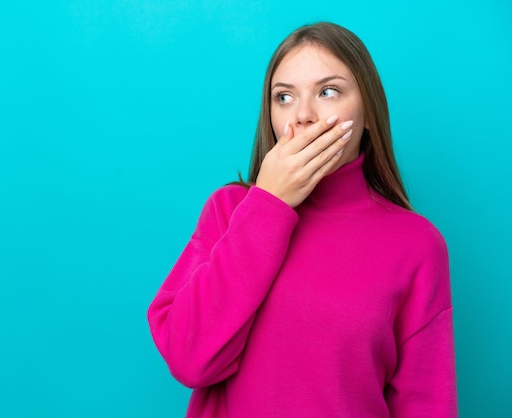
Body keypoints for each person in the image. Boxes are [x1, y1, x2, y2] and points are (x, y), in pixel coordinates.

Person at [147, 22, 458, 417]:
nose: (304, 116)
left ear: (368, 115)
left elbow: (426, 404)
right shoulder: (229, 211)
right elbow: (188, 357)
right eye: (284, 97)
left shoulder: (417, 245)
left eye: (328, 91)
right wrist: (268, 204)